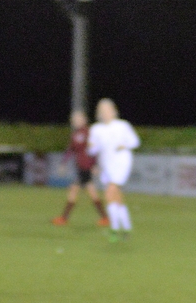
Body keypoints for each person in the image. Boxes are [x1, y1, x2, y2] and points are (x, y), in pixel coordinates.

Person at [88, 98, 140, 242]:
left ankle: (114, 229)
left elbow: (135, 142)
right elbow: (93, 150)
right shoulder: (96, 129)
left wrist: (124, 145)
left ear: (113, 111)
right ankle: (127, 229)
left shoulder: (122, 125)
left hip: (121, 163)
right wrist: (92, 151)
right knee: (117, 198)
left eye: (108, 110)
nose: (105, 113)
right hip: (106, 166)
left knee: (109, 193)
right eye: (102, 111)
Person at [52, 110, 108, 227]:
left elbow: (94, 149)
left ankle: (64, 218)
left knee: (75, 190)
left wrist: (94, 164)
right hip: (80, 167)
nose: (75, 121)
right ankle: (104, 218)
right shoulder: (75, 134)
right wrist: (63, 163)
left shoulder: (88, 133)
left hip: (86, 167)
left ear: (84, 120)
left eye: (78, 119)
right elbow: (70, 149)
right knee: (91, 192)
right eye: (74, 119)